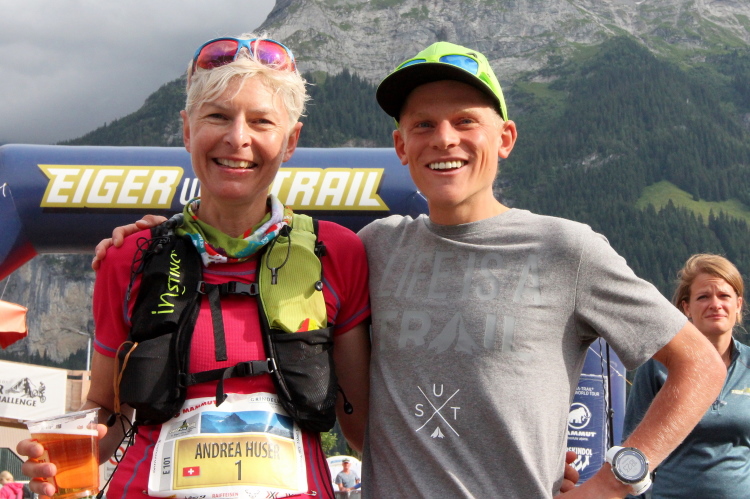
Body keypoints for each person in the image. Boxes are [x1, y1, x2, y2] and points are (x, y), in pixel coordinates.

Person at [84, 41, 707, 497]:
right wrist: (153, 240)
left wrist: (615, 479)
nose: (445, 139)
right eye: (423, 125)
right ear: (401, 146)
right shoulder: (372, 247)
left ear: (506, 138)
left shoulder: (562, 248)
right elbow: (362, 428)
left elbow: (699, 366)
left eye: (466, 121)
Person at [17, 33, 371, 499]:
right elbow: (106, 410)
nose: (237, 138)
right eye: (217, 116)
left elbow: (365, 429)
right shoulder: (130, 256)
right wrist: (55, 462)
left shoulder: (338, 253)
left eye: (261, 121)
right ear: (187, 131)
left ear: (290, 141)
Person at [624, 254, 750, 498]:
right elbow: (633, 452)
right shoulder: (658, 366)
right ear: (686, 308)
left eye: (724, 296)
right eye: (703, 297)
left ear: (738, 305)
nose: (715, 304)